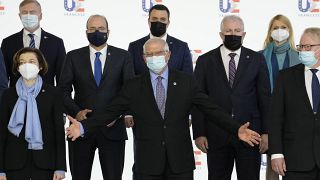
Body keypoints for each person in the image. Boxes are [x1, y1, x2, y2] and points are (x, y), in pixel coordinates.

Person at [66, 38, 262, 180]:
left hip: (180, 163)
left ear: (168, 55)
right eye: (149, 54)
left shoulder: (185, 82)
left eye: (158, 53)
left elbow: (211, 109)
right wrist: (83, 127)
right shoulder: (134, 86)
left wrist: (236, 129)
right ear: (143, 59)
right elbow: (111, 112)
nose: (154, 57)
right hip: (147, 164)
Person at [192, 15, 271, 180]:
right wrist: (199, 133)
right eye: (228, 31)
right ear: (221, 34)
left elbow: (264, 98)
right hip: (216, 133)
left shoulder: (257, 59)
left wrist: (266, 132)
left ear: (244, 34)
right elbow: (198, 99)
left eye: (237, 31)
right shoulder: (205, 60)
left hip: (251, 134)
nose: (233, 34)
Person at [58, 15, 134, 180]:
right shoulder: (73, 56)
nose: (96, 32)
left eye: (101, 28)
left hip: (113, 129)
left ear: (108, 31)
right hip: (80, 128)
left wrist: (116, 115)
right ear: (86, 32)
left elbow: (129, 91)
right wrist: (76, 112)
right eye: (92, 29)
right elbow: (63, 90)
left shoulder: (123, 56)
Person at [0, 47, 66, 180]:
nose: (26, 65)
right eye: (22, 62)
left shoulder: (53, 93)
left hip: (45, 162)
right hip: (13, 163)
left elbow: (59, 131)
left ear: (40, 65)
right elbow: (1, 133)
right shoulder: (8, 94)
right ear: (17, 67)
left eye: (31, 61)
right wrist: (0, 169)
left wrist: (60, 167)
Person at [269, 27, 320, 180]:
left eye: (308, 47)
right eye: (301, 46)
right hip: (295, 162)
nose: (303, 50)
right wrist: (276, 153)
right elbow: (275, 118)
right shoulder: (285, 77)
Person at [260, 14, 300, 180]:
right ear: (270, 32)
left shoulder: (301, 57)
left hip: (294, 122)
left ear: (289, 31)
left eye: (283, 27)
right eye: (275, 28)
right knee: (272, 170)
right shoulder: (258, 57)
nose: (279, 31)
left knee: (295, 169)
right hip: (269, 121)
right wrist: (264, 129)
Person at [1, 0, 66, 87]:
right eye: (24, 12)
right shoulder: (8, 42)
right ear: (20, 16)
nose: (28, 15)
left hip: (47, 98)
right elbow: (3, 76)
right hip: (16, 97)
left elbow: (62, 78)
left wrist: (60, 99)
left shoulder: (56, 42)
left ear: (40, 16)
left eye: (32, 12)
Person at [128, 4, 193, 75]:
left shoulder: (181, 47)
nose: (158, 22)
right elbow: (130, 80)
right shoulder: (134, 47)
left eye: (162, 19)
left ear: (168, 23)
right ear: (149, 21)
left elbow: (188, 79)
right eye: (154, 19)